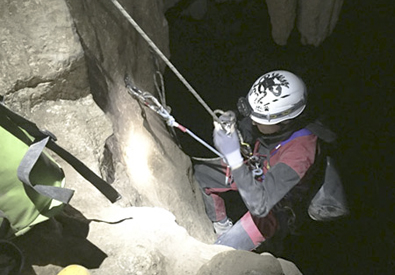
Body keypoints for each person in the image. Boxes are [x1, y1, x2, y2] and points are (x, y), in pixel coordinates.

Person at [194, 70, 336, 251]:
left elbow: (260, 205)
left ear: (284, 121)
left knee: (223, 251)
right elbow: (248, 128)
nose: (253, 123)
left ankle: (253, 246)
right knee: (202, 173)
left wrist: (234, 158)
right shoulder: (271, 125)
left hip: (274, 204)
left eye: (259, 120)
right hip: (258, 170)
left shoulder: (300, 153)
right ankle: (222, 226)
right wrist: (232, 128)